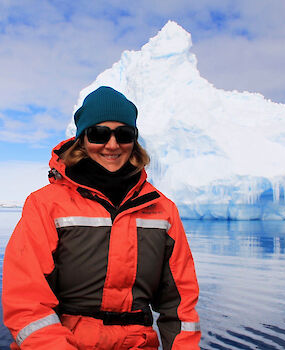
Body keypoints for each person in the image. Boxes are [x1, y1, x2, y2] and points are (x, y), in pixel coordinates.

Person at [2, 86, 201, 350]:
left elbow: (180, 306)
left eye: (124, 134)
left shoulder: (163, 210)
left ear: (135, 140)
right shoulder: (45, 205)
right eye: (99, 134)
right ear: (82, 139)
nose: (112, 145)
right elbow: (26, 302)